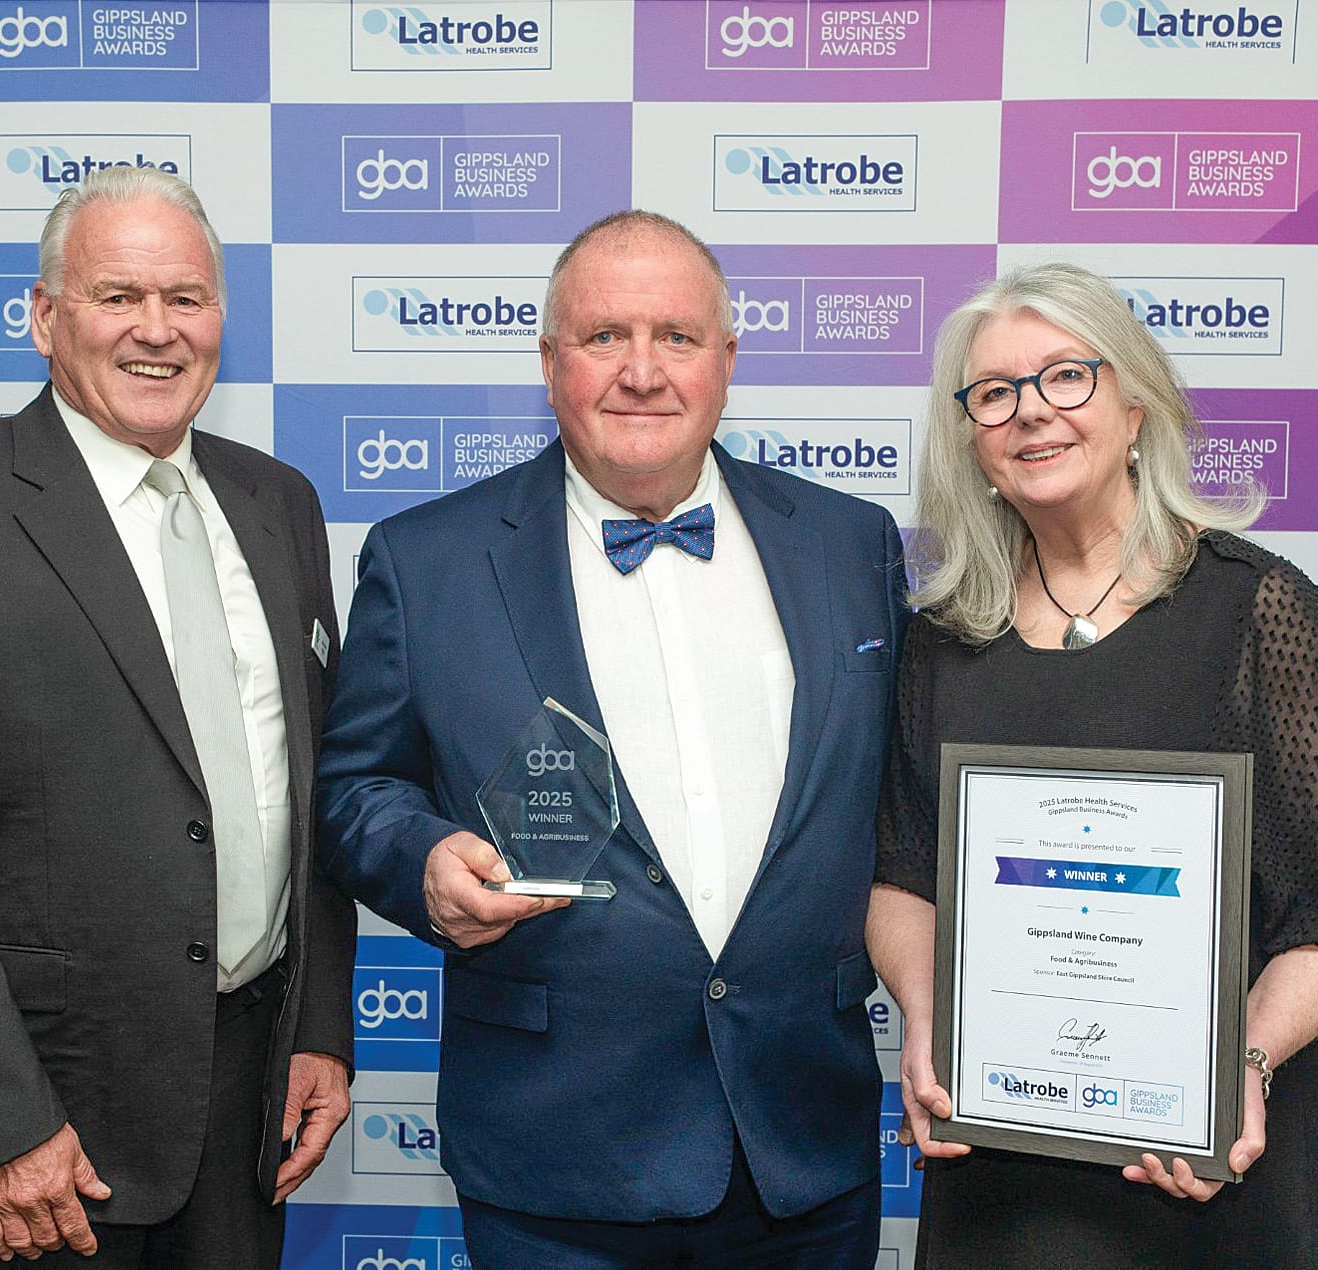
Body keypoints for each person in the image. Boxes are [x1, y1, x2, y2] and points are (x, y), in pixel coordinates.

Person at [316, 209, 908, 1266]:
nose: (642, 371)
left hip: (800, 1143)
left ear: (725, 361)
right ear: (549, 364)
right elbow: (356, 788)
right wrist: (423, 861)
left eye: (677, 337)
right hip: (557, 1154)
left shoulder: (847, 542)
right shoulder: (426, 561)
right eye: (603, 338)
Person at [0, 166, 356, 1267]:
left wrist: (316, 1031)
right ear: (44, 317)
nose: (157, 330)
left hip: (246, 1119)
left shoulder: (277, 502)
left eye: (187, 299)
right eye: (117, 296)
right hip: (37, 1136)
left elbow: (311, 788)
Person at [867, 262, 1318, 1268]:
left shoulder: (1253, 610)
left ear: (1132, 404)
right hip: (1002, 1163)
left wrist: (1241, 1060)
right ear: (971, 439)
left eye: (1063, 377)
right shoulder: (943, 638)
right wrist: (924, 1018)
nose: (1029, 413)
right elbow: (900, 868)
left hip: (1205, 1166)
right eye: (993, 393)